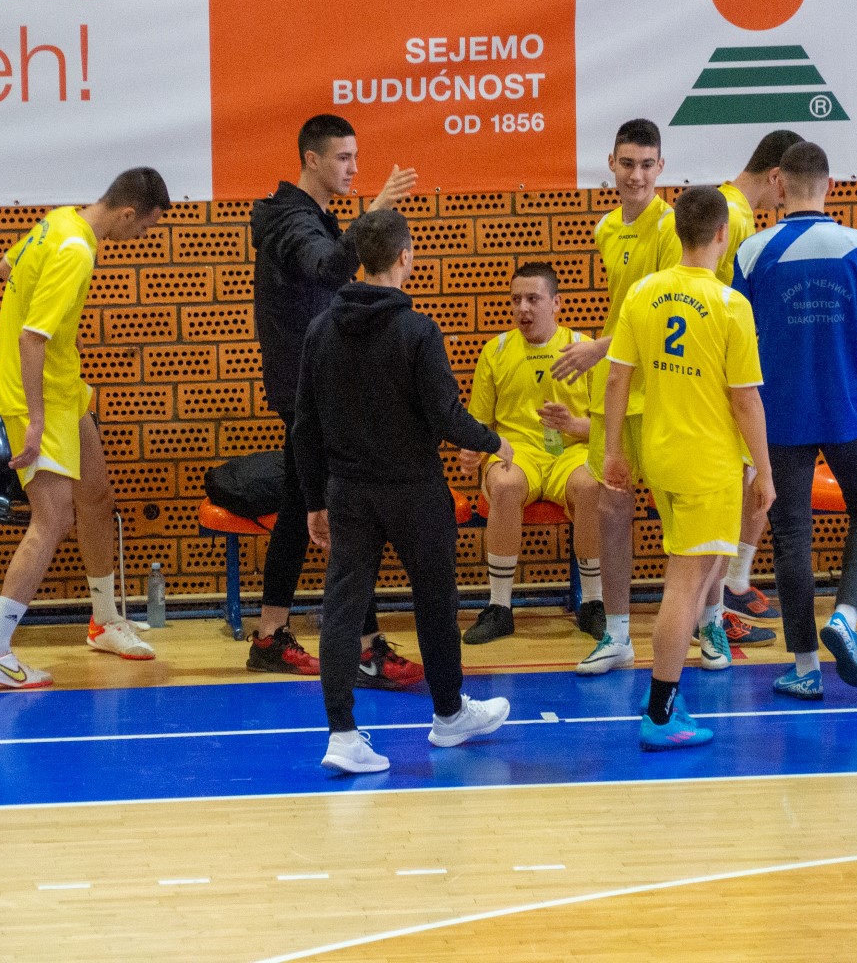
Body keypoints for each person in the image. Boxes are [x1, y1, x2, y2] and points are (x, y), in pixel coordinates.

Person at [295, 210, 514, 773]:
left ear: (357, 260)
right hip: (415, 490)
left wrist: (315, 500)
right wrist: (493, 442)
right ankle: (448, 714)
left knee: (342, 608)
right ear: (405, 258)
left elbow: (305, 427)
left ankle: (342, 736)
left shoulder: (320, 330)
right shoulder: (418, 330)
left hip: (348, 491)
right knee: (435, 602)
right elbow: (445, 416)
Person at [0, 168, 171, 688]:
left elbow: (5, 265)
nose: (141, 236)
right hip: (34, 396)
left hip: (64, 386)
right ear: (127, 213)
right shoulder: (77, 250)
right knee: (53, 519)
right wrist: (35, 421)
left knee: (96, 497)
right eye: (144, 227)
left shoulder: (59, 220)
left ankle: (104, 621)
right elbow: (31, 339)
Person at [248, 113, 425, 689]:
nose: (353, 168)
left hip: (312, 385)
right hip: (307, 390)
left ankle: (270, 635)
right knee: (347, 512)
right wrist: (375, 213)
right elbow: (328, 269)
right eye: (343, 158)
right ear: (312, 159)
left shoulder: (312, 217)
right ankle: (366, 648)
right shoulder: (287, 218)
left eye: (356, 157)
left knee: (300, 510)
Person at [604, 186, 773, 749]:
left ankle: (666, 691)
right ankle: (660, 713)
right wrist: (766, 472)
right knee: (687, 583)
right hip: (708, 462)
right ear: (723, 235)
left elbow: (617, 378)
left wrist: (613, 450)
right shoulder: (729, 304)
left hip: (660, 453)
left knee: (703, 570)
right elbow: (746, 400)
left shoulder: (643, 292)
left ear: (676, 232)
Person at [732, 141, 857, 699]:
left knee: (791, 537)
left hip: (779, 412)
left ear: (778, 182)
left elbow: (738, 336)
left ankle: (805, 667)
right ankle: (846, 615)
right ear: (831, 184)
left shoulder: (752, 253)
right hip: (847, 405)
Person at [660, 129, 807, 643]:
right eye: (790, 187)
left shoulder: (727, 207)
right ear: (776, 177)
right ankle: (712, 613)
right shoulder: (737, 220)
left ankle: (724, 596)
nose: (788, 199)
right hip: (718, 391)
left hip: (697, 390)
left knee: (732, 503)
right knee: (732, 502)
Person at [551, 119, 680, 676]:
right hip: (617, 391)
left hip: (665, 390)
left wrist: (596, 349)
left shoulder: (670, 228)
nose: (637, 175)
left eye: (647, 164)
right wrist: (606, 356)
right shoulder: (606, 227)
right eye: (628, 164)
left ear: (661, 167)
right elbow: (628, 312)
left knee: (682, 515)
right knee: (612, 511)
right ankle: (618, 634)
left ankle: (710, 623)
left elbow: (662, 315)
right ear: (611, 164)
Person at [457, 262, 602, 644]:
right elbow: (479, 423)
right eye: (516, 299)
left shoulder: (583, 349)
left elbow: (607, 427)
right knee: (505, 485)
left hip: (570, 453)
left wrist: (573, 424)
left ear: (556, 303)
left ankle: (593, 603)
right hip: (516, 452)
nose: (522, 308)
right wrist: (472, 451)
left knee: (592, 487)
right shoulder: (497, 350)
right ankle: (500, 607)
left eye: (533, 299)